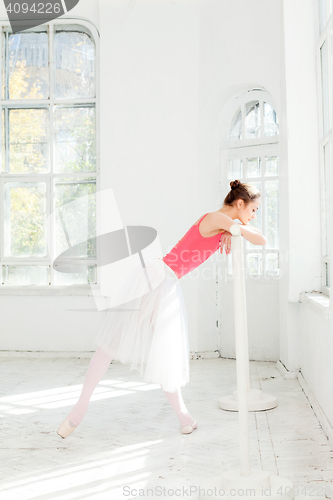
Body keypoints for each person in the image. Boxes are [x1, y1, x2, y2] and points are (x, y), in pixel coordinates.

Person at [57, 179, 266, 438]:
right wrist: (234, 230)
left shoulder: (222, 222)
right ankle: (79, 409)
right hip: (157, 279)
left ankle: (184, 418)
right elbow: (260, 239)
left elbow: (245, 233)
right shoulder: (217, 218)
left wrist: (231, 230)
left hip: (164, 281)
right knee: (113, 344)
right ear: (240, 203)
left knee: (166, 352)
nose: (254, 215)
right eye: (253, 209)